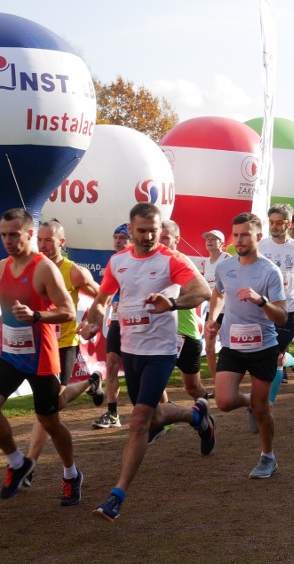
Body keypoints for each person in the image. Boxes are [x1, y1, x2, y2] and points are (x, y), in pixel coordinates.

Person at [81, 203, 213, 522]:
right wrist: (94, 321)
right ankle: (196, 416)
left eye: (153, 230)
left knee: (139, 421)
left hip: (161, 351)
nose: (149, 236)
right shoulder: (119, 262)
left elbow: (203, 291)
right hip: (132, 350)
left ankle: (117, 495)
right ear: (131, 229)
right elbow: (103, 300)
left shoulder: (171, 259)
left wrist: (173, 303)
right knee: (153, 417)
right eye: (142, 230)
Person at [0, 208, 81, 505]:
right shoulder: (1, 267)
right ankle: (16, 462)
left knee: (49, 422)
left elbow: (68, 311)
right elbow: (10, 307)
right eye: (3, 235)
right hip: (10, 352)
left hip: (41, 356)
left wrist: (36, 315)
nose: (7, 240)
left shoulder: (43, 268)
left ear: (29, 234)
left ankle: (71, 474)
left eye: (13, 234)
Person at [23, 219, 104, 485]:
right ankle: (91, 382)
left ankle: (29, 464)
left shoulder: (74, 272)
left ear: (61, 242)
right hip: (39, 344)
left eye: (48, 240)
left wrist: (92, 320)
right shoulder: (32, 267)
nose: (43, 245)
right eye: (40, 239)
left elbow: (104, 294)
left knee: (48, 408)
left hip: (64, 345)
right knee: (49, 408)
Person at [206, 213, 287, 477]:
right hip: (233, 344)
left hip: (263, 346)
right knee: (225, 401)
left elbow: (282, 316)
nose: (239, 240)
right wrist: (214, 319)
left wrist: (261, 301)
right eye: (236, 234)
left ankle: (268, 456)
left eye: (245, 235)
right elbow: (218, 293)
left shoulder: (269, 271)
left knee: (264, 409)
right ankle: (251, 401)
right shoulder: (224, 267)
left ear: (258, 237)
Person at [258, 204, 294, 408]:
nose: (275, 226)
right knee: (268, 355)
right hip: (265, 309)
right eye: (272, 222)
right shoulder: (261, 246)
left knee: (275, 357)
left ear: (288, 224)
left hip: (290, 308)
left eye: (279, 222)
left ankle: (268, 403)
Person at [158, 219, 208, 402]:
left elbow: (202, 293)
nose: (160, 242)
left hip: (184, 334)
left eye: (165, 238)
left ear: (176, 239)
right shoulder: (151, 261)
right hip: (159, 332)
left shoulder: (182, 262)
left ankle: (205, 414)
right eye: (158, 237)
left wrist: (172, 298)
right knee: (153, 381)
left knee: (192, 388)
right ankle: (163, 418)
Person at [93, 224, 133, 428]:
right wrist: (93, 319)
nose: (118, 241)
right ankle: (112, 413)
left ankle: (162, 410)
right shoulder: (114, 261)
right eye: (115, 237)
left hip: (138, 322)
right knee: (111, 363)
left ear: (132, 240)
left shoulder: (138, 259)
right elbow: (105, 295)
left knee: (140, 372)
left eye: (123, 238)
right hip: (118, 319)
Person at [202, 229, 231, 382]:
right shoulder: (206, 262)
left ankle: (229, 381)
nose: (210, 240)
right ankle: (217, 382)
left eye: (214, 238)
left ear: (222, 244)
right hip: (212, 311)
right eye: (208, 238)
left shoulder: (227, 259)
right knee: (208, 348)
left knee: (229, 348)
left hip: (229, 311)